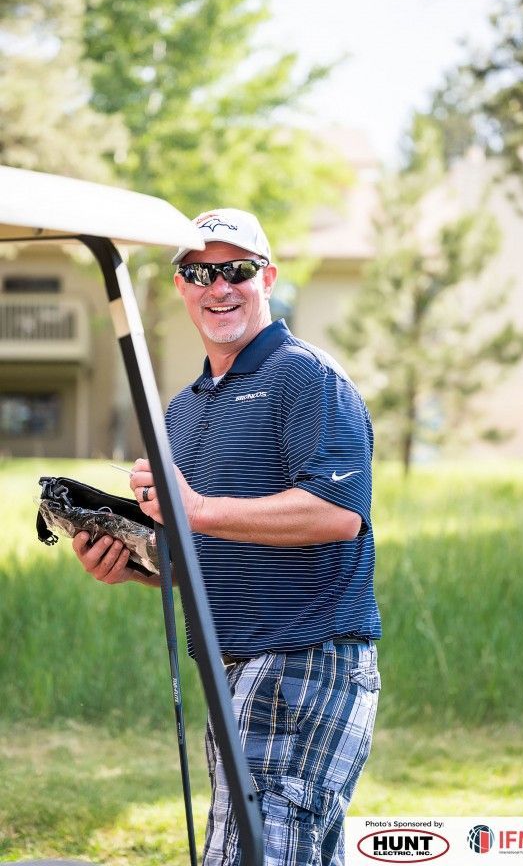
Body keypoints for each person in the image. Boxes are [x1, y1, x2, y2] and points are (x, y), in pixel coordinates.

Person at [72, 208, 382, 866]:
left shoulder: (307, 377)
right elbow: (206, 553)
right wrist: (133, 564)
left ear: (267, 277)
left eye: (236, 270)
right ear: (181, 286)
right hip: (230, 666)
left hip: (305, 663)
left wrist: (200, 509)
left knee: (252, 854)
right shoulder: (182, 412)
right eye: (199, 272)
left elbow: (335, 512)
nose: (220, 287)